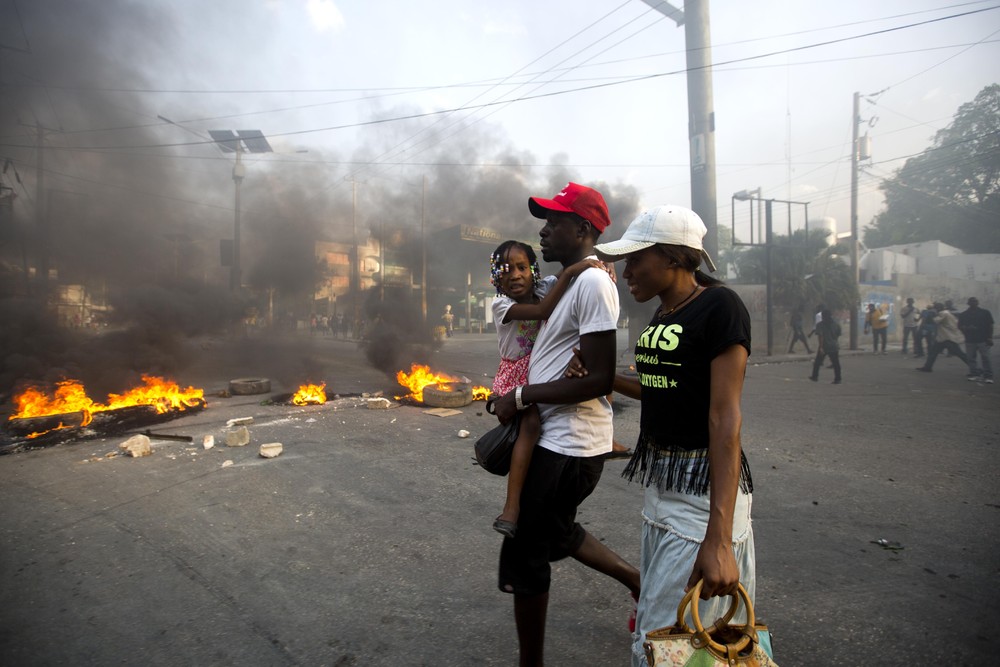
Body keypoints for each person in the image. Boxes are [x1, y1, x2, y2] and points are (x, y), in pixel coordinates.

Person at [571, 204, 756, 666]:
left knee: (676, 635)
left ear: (673, 257)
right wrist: (605, 376)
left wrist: (718, 540)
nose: (625, 269)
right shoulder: (663, 312)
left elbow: (724, 419)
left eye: (636, 258)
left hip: (702, 492)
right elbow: (660, 389)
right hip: (663, 488)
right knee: (674, 632)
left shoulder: (719, 306)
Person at [490, 182, 640, 666]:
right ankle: (638, 581)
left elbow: (597, 376)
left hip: (568, 444)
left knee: (527, 556)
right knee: (553, 533)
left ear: (582, 229)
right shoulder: (577, 281)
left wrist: (521, 393)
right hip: (561, 439)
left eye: (553, 222)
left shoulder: (593, 284)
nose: (544, 230)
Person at [487, 240, 601, 538]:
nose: (515, 275)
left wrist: (602, 265)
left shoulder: (544, 286)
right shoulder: (502, 305)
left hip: (540, 368)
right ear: (495, 277)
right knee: (531, 424)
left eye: (523, 267)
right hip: (515, 377)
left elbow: (567, 280)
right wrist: (572, 271)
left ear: (533, 271)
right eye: (506, 270)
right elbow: (542, 311)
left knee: (593, 363)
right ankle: (512, 507)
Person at [916, 303, 969, 372]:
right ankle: (927, 367)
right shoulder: (947, 313)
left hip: (947, 338)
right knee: (933, 353)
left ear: (938, 308)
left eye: (935, 308)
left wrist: (932, 314)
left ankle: (975, 367)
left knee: (960, 354)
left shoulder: (943, 313)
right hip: (943, 337)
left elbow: (934, 321)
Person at [957, 297, 994, 384]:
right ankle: (974, 374)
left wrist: (990, 337)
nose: (973, 303)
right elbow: (959, 326)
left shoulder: (985, 313)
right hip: (970, 339)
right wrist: (966, 328)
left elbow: (990, 325)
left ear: (978, 302)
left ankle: (988, 376)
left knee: (986, 358)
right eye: (971, 301)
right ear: (968, 303)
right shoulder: (964, 314)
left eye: (975, 301)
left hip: (983, 339)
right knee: (971, 358)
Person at [809, 309, 842, 384]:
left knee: (817, 362)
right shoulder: (836, 324)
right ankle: (838, 379)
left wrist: (820, 347)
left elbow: (821, 336)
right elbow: (838, 335)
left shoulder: (820, 325)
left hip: (824, 346)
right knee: (836, 363)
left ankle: (815, 376)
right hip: (834, 346)